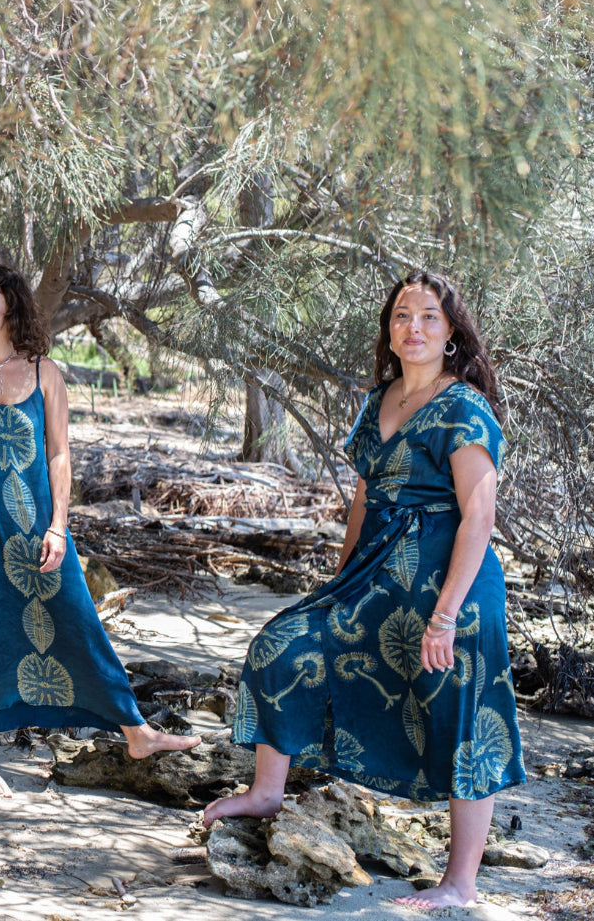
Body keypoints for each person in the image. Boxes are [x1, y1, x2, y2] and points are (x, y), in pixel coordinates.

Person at [204, 271, 524, 909]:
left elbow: (480, 517)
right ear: (388, 328)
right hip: (375, 576)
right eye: (403, 315)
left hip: (450, 586)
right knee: (282, 645)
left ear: (453, 332)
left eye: (430, 317)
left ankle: (460, 883)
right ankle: (268, 789)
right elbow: (364, 498)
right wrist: (341, 578)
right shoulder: (378, 399)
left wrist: (446, 615)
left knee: (460, 713)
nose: (415, 327)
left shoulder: (465, 407)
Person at [0, 263, 200, 797]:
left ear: (11, 307)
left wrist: (59, 526)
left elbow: (58, 454)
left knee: (74, 618)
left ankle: (135, 731)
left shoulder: (45, 372)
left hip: (37, 527)